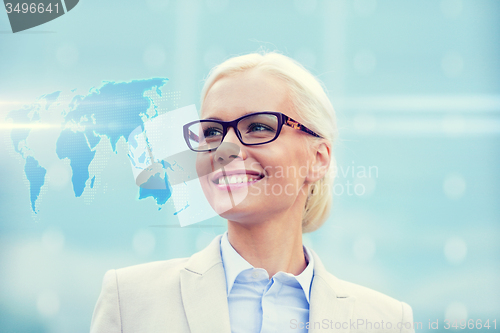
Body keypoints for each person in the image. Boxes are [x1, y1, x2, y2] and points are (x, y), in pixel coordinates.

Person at [90, 52, 415, 333]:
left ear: (318, 159)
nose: (226, 149)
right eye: (212, 132)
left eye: (258, 127)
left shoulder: (384, 322)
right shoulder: (130, 300)